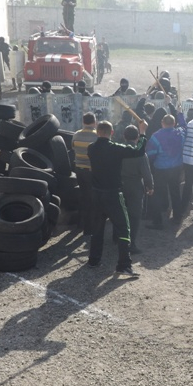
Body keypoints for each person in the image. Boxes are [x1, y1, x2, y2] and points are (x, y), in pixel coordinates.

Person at [87, 119, 148, 277]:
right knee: (124, 229)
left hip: (96, 194)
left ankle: (93, 260)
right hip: (113, 194)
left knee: (97, 229)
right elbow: (138, 151)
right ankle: (123, 265)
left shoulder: (91, 148)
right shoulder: (115, 148)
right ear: (112, 133)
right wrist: (142, 132)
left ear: (97, 132)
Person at [146, 111, 187, 229]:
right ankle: (177, 217)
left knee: (157, 194)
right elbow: (185, 127)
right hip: (176, 168)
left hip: (161, 169)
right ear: (174, 123)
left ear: (162, 123)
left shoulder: (155, 136)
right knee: (175, 192)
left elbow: (150, 154)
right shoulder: (180, 133)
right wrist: (180, 115)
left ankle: (157, 221)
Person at [119, 125, 154, 254]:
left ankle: (117, 238)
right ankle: (131, 243)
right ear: (137, 137)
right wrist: (150, 186)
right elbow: (146, 173)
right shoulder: (140, 153)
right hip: (135, 186)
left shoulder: (118, 150)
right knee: (134, 216)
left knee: (120, 213)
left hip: (119, 185)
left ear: (124, 136)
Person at [72, 112, 98, 238]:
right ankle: (89, 228)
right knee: (91, 199)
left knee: (83, 196)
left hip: (79, 169)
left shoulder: (76, 134)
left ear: (83, 122)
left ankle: (80, 224)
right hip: (91, 170)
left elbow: (73, 148)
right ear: (94, 122)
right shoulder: (97, 136)